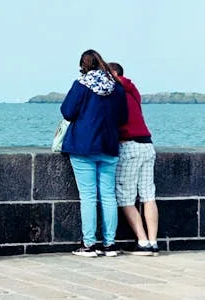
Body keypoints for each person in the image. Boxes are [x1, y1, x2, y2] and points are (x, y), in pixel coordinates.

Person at [61, 49, 127, 257]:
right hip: (109, 145)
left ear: (84, 65)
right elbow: (123, 117)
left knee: (88, 196)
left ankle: (89, 244)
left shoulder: (81, 84)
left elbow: (68, 112)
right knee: (108, 196)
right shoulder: (116, 87)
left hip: (83, 146)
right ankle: (110, 244)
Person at [109, 62, 160, 256]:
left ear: (113, 73)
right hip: (147, 145)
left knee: (125, 198)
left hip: (129, 145)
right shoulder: (133, 90)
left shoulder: (115, 92)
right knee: (148, 195)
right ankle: (153, 242)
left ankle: (143, 241)